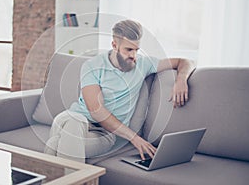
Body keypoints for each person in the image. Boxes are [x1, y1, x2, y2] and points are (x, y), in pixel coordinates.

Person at [44, 19, 196, 163]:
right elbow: (96, 111)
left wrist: (181, 79)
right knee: (74, 124)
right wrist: (134, 138)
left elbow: (185, 61)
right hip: (74, 118)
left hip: (105, 135)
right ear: (114, 45)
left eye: (136, 50)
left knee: (56, 144)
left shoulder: (143, 64)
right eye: (128, 49)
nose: (133, 55)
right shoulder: (92, 66)